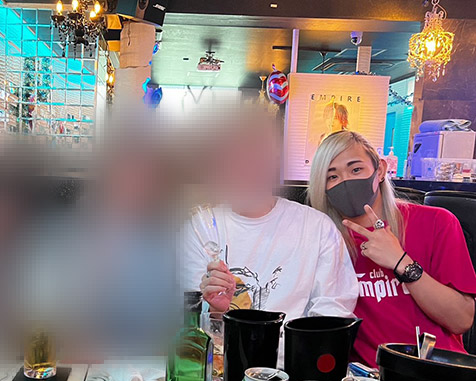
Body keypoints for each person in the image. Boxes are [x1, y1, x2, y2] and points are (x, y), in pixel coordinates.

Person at [180, 106, 359, 366]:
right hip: (221, 366)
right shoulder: (201, 226)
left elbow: (332, 315)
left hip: (293, 368)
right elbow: (190, 319)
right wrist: (217, 309)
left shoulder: (317, 227)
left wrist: (299, 366)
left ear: (275, 158)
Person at [308, 130, 476, 366]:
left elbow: (461, 319)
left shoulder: (437, 222)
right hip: (366, 378)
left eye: (356, 170)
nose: (345, 182)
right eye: (332, 176)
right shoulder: (324, 240)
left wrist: (401, 262)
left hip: (436, 371)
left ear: (380, 171)